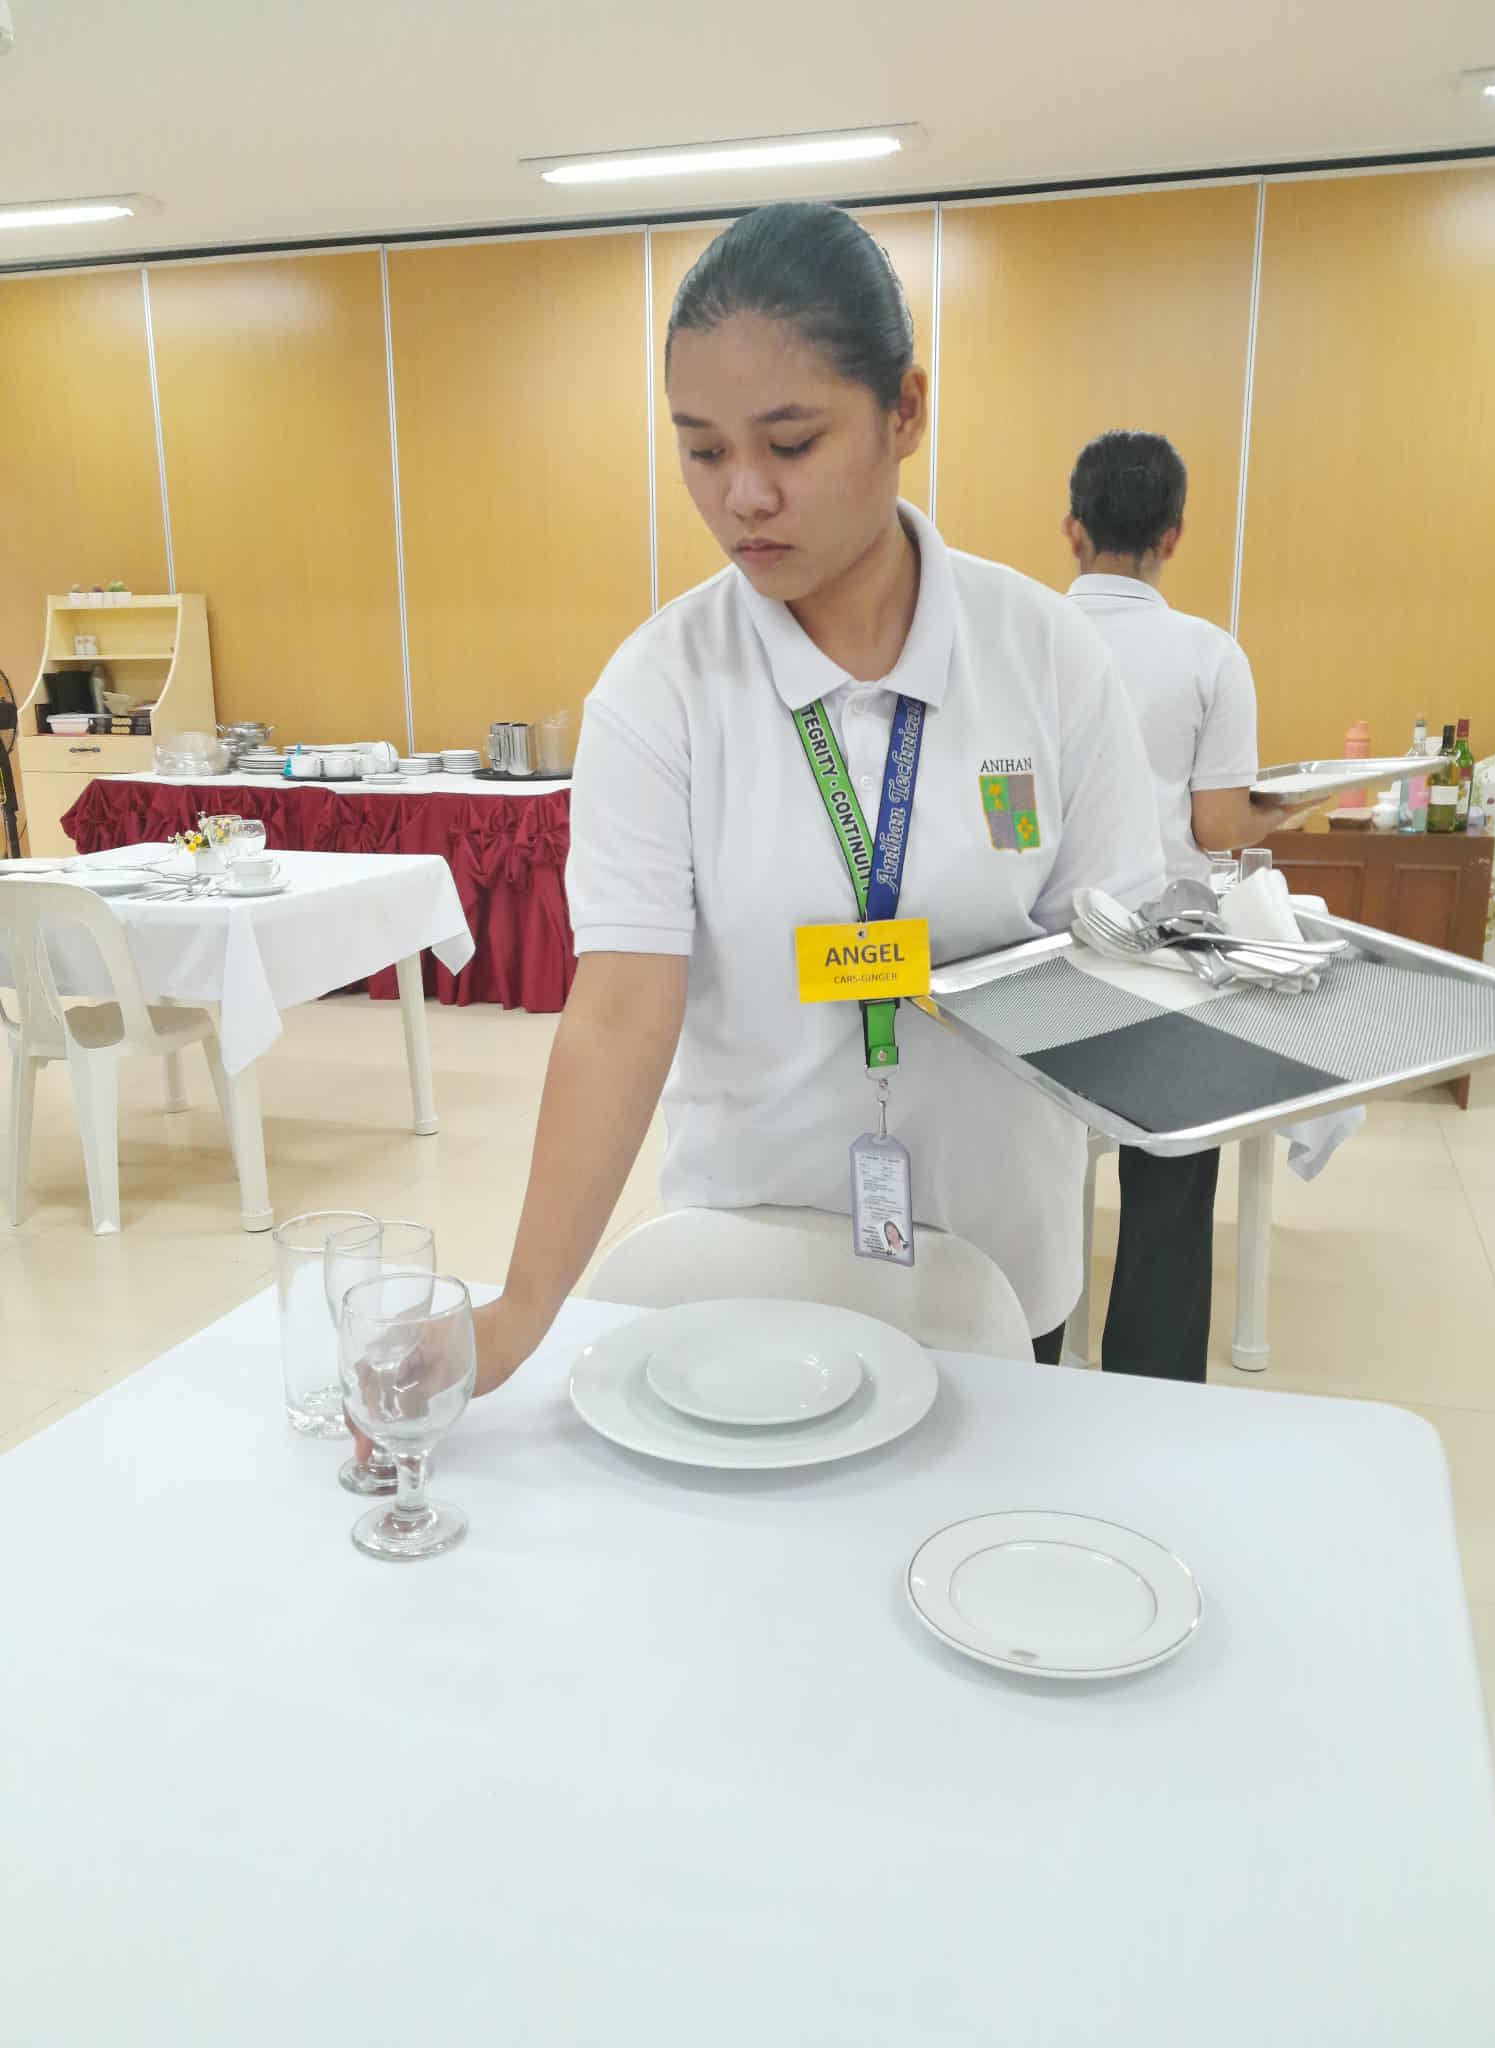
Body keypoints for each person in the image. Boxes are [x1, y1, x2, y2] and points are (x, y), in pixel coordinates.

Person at [468, 205, 1164, 1396]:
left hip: (997, 1262)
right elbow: (622, 1010)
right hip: (746, 1250)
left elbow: (1117, 956)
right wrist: (519, 1312)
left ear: (905, 411)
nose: (743, 494)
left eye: (790, 443)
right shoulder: (661, 688)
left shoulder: (1042, 655)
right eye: (702, 450)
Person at [1061, 429, 1304, 1381]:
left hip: (1036, 962)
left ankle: (1016, 1378)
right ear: (1173, 535)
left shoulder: (1020, 638)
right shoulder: (1209, 654)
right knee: (1169, 1188)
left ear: (1072, 528)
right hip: (1163, 964)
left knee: (1021, 1179)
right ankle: (1152, 1395)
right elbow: (1217, 827)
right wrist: (1285, 807)